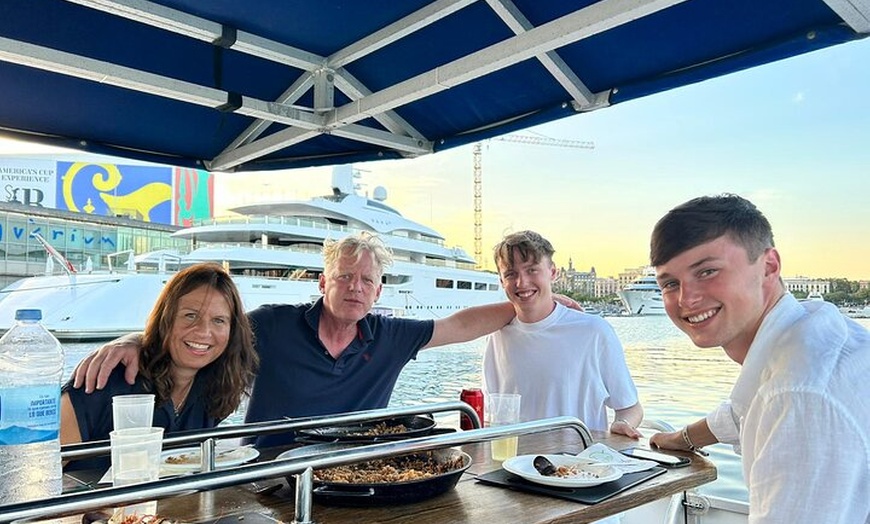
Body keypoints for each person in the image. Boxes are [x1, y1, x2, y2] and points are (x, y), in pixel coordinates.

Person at [73, 232, 571, 447]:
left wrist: (530, 303)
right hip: (261, 475)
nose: (355, 287)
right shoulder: (271, 323)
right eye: (344, 276)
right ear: (323, 282)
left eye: (366, 280)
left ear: (378, 290)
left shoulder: (390, 335)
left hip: (345, 475)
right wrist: (138, 341)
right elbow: (204, 331)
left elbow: (460, 325)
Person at [647, 194, 869, 523]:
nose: (687, 299)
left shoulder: (799, 395)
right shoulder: (808, 332)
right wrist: (680, 439)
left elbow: (782, 402)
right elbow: (742, 411)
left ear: (769, 266)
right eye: (670, 283)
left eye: (707, 271)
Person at [60, 263, 258, 470]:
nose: (203, 331)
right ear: (166, 318)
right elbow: (40, 470)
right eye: (190, 315)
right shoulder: (105, 379)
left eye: (219, 320)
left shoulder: (214, 389)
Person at [482, 231, 643, 438]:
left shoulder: (594, 331)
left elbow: (630, 407)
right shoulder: (497, 336)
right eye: (511, 274)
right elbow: (492, 412)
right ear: (501, 280)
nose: (521, 283)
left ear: (553, 272)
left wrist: (622, 424)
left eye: (532, 270)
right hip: (514, 464)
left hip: (577, 464)